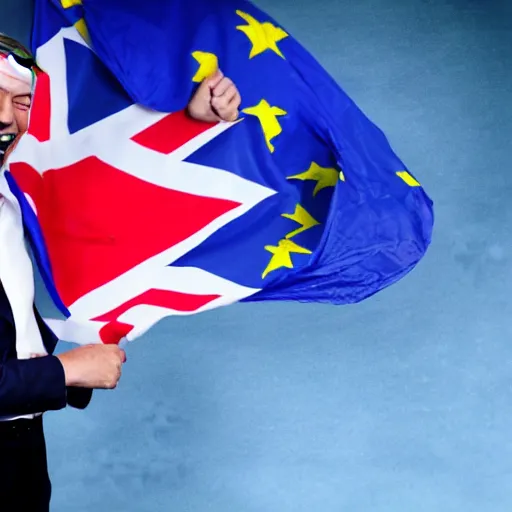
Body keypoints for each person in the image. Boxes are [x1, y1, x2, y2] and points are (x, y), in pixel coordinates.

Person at [0, 33, 240, 511]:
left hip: (19, 458)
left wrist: (191, 125)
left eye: (21, 100)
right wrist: (65, 370)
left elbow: (100, 178)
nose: (7, 115)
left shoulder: (7, 198)